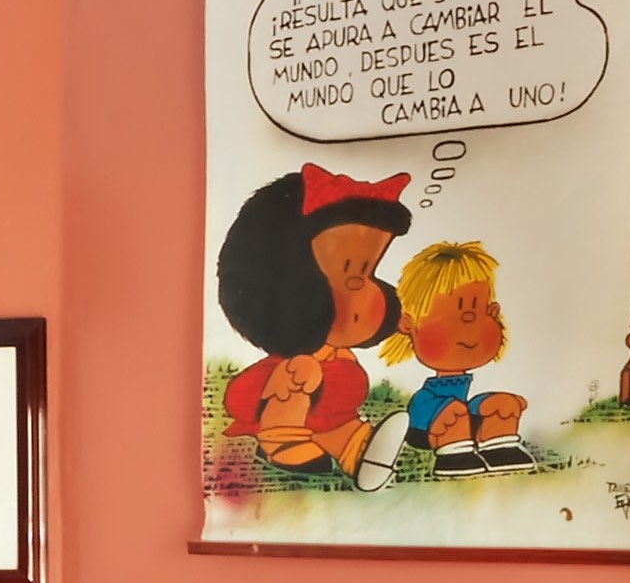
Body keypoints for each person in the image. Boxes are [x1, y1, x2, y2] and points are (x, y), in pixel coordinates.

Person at [211, 165, 410, 484]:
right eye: (348, 270)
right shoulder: (298, 346)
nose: (361, 285)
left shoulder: (338, 337)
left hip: (330, 404)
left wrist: (390, 319)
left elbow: (355, 323)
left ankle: (357, 451)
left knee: (337, 421)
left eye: (367, 270)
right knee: (302, 373)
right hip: (274, 393)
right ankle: (280, 440)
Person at [389, 239, 532, 471]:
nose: (467, 324)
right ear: (408, 324)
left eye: (476, 312)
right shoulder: (424, 401)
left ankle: (500, 449)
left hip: (462, 410)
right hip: (425, 421)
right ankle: (454, 456)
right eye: (448, 315)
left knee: (502, 404)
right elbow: (445, 409)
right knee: (454, 412)